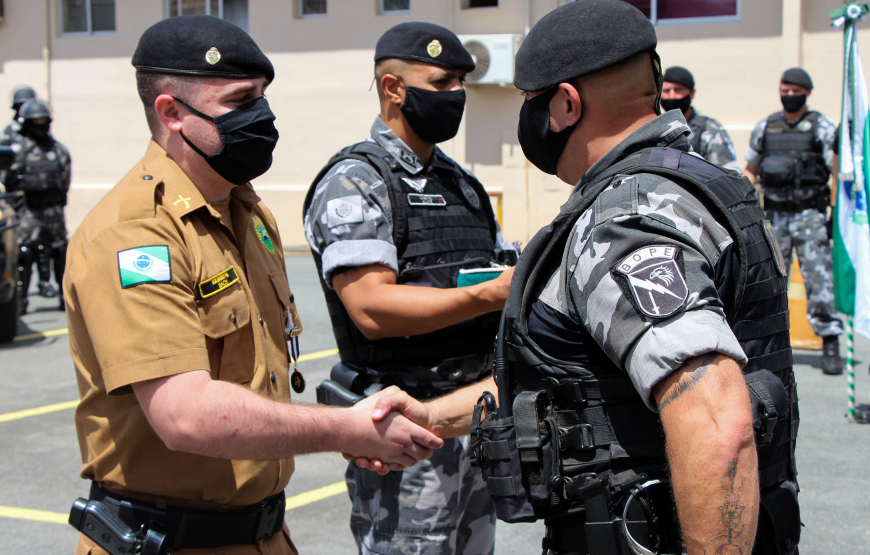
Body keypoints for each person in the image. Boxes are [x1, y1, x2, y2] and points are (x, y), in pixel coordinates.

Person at [359, 2, 800, 554]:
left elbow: (717, 423)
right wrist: (431, 415)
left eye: (530, 102)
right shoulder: (708, 188)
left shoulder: (624, 222)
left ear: (565, 104)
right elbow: (573, 378)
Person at [64, 15, 442, 555]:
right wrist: (344, 429)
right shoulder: (136, 235)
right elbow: (184, 414)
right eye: (240, 101)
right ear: (171, 113)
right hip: (168, 541)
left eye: (263, 97)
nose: (261, 117)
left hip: (261, 533)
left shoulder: (249, 212)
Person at [303, 21, 515, 555]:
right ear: (394, 88)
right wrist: (492, 294)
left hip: (473, 416)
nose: (457, 96)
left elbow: (498, 271)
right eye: (442, 82)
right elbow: (372, 307)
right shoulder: (356, 181)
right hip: (405, 431)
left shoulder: (461, 185)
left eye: (462, 83)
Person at [743, 67, 844, 375]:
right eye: (783, 90)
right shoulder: (766, 127)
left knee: (819, 279)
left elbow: (838, 170)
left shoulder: (821, 127)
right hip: (774, 216)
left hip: (809, 214)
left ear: (807, 92)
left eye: (794, 91)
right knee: (771, 279)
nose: (788, 96)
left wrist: (834, 213)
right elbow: (751, 169)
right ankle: (770, 343)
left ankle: (829, 341)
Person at [0, 99, 71, 313]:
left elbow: (65, 177)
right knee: (24, 253)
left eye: (43, 120)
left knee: (60, 253)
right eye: (36, 121)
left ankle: (63, 296)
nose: (40, 124)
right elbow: (6, 177)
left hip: (53, 211)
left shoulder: (58, 149)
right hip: (28, 211)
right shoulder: (17, 148)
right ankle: (21, 299)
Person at [661, 66, 741, 172]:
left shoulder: (709, 129)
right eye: (666, 91)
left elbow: (728, 174)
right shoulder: (656, 129)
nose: (672, 96)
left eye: (678, 90)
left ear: (692, 93)